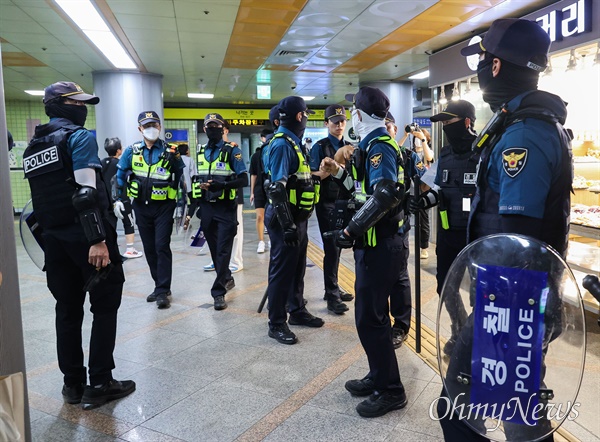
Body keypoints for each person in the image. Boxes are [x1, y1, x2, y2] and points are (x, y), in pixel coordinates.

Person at [437, 18, 572, 442]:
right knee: (512, 412)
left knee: (466, 411)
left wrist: (489, 318)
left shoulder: (525, 136)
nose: (479, 72)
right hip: (510, 300)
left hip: (512, 304)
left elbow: (517, 239)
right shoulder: (519, 124)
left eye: (481, 62)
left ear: (495, 66)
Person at [22, 81, 135, 409]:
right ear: (61, 105)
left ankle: (72, 385)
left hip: (53, 241)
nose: (83, 108)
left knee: (67, 310)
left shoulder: (34, 147)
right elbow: (85, 194)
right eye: (77, 103)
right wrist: (98, 240)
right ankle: (100, 383)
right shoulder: (78, 137)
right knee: (104, 304)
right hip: (86, 240)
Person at [326, 86, 407, 417]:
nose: (350, 118)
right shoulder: (370, 147)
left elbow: (385, 195)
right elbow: (363, 191)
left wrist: (351, 230)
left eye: (352, 113)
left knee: (370, 319)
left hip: (380, 245)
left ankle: (391, 390)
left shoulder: (380, 148)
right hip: (373, 245)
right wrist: (340, 174)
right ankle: (379, 374)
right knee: (369, 318)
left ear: (358, 115)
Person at [412, 100, 479, 355]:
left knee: (479, 293)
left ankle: (475, 340)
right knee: (445, 287)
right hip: (449, 235)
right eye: (443, 123)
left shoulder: (484, 152)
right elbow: (437, 189)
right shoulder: (446, 154)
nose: (446, 127)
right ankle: (459, 329)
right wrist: (421, 200)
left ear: (467, 122)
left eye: (450, 122)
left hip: (476, 236)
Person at [262, 96, 324, 345]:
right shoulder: (281, 144)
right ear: (300, 116)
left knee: (297, 268)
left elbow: (299, 180)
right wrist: (287, 225)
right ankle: (276, 322)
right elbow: (277, 189)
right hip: (283, 219)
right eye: (306, 114)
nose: (306, 119)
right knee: (281, 271)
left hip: (297, 218)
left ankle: (296, 310)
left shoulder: (294, 143)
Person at [116, 111, 184, 309]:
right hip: (140, 206)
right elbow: (120, 175)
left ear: (160, 127)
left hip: (164, 206)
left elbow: (180, 176)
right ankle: (159, 285)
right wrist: (119, 199)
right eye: (146, 126)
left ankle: (163, 290)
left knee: (161, 245)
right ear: (140, 129)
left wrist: (183, 205)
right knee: (149, 248)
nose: (151, 128)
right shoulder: (132, 151)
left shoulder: (171, 150)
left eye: (154, 124)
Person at [192, 113, 248, 310]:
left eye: (217, 126)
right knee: (215, 249)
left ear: (223, 129)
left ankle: (218, 292)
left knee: (223, 249)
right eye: (209, 126)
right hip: (206, 208)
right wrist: (194, 207)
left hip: (225, 208)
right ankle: (227, 277)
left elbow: (244, 180)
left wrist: (222, 186)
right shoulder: (200, 153)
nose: (213, 129)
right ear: (205, 129)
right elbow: (196, 181)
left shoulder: (232, 151)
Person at [384, 113, 426, 349]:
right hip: (372, 231)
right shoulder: (368, 153)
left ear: (395, 128)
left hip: (399, 227)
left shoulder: (407, 156)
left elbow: (426, 179)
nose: (385, 130)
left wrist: (417, 198)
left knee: (399, 277)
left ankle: (401, 325)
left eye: (388, 126)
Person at [309, 104, 355, 315]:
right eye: (335, 122)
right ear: (326, 123)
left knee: (341, 247)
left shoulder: (349, 146)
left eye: (342, 121)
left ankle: (333, 289)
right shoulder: (320, 147)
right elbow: (314, 175)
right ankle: (332, 295)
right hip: (327, 203)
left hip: (345, 202)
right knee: (331, 248)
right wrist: (334, 164)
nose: (339, 125)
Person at [101, 137, 143, 259]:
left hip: (107, 201)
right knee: (128, 222)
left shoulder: (101, 163)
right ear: (119, 150)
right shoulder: (121, 164)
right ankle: (130, 249)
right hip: (122, 199)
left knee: (110, 225)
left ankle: (111, 250)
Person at [399, 124, 433, 259]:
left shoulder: (427, 151)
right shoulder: (408, 153)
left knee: (423, 220)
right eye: (415, 138)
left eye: (418, 138)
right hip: (410, 191)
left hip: (423, 191)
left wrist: (423, 138)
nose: (416, 140)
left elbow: (429, 158)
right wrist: (406, 135)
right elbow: (397, 149)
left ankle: (424, 247)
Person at [250, 128, 273, 253]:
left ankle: (271, 239)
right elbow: (253, 175)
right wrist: (252, 192)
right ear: (262, 138)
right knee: (260, 216)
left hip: (272, 188)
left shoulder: (274, 152)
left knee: (272, 216)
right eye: (265, 138)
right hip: (259, 188)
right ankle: (261, 241)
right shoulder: (256, 156)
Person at [178, 144, 198, 232]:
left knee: (181, 202)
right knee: (194, 202)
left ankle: (180, 219)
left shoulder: (176, 159)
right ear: (186, 151)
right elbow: (193, 174)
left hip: (177, 186)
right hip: (188, 186)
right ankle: (188, 217)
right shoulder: (190, 160)